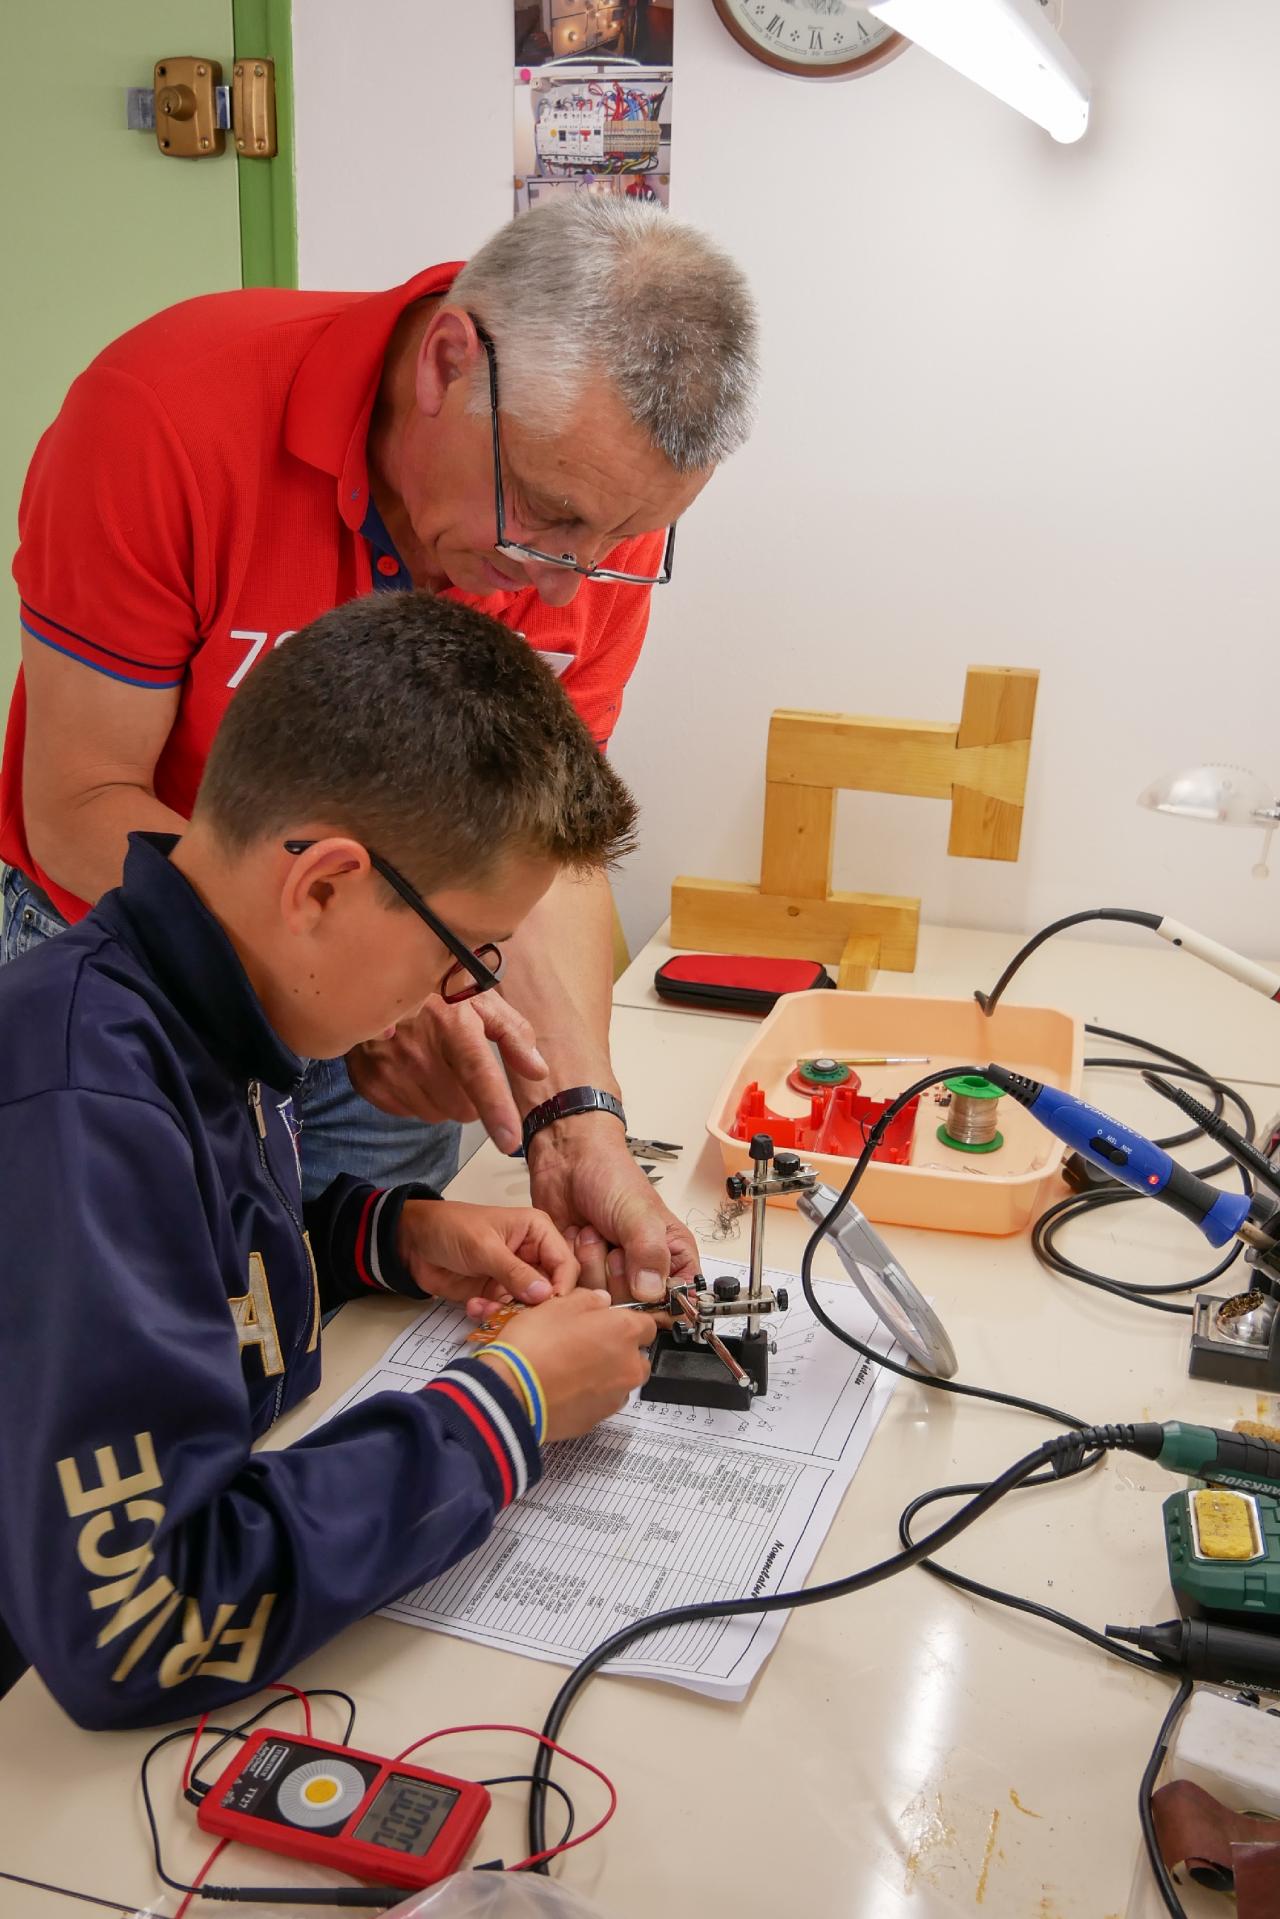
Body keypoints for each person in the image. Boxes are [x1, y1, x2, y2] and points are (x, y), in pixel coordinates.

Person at [1, 196, 759, 1305]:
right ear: (446, 362)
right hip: (133, 971)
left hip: (400, 969)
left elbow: (543, 852)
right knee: (138, 1353)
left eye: (621, 540)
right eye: (548, 515)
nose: (568, 583)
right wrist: (401, 979)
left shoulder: (591, 514)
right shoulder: (165, 415)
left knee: (347, 1325)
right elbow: (77, 801)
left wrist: (577, 1116)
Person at [0, 592, 656, 1729]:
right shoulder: (81, 1101)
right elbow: (144, 1618)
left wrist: (386, 1235)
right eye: (466, 950)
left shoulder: (195, 998)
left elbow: (179, 1266)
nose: (467, 993)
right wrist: (505, 1407)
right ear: (323, 886)